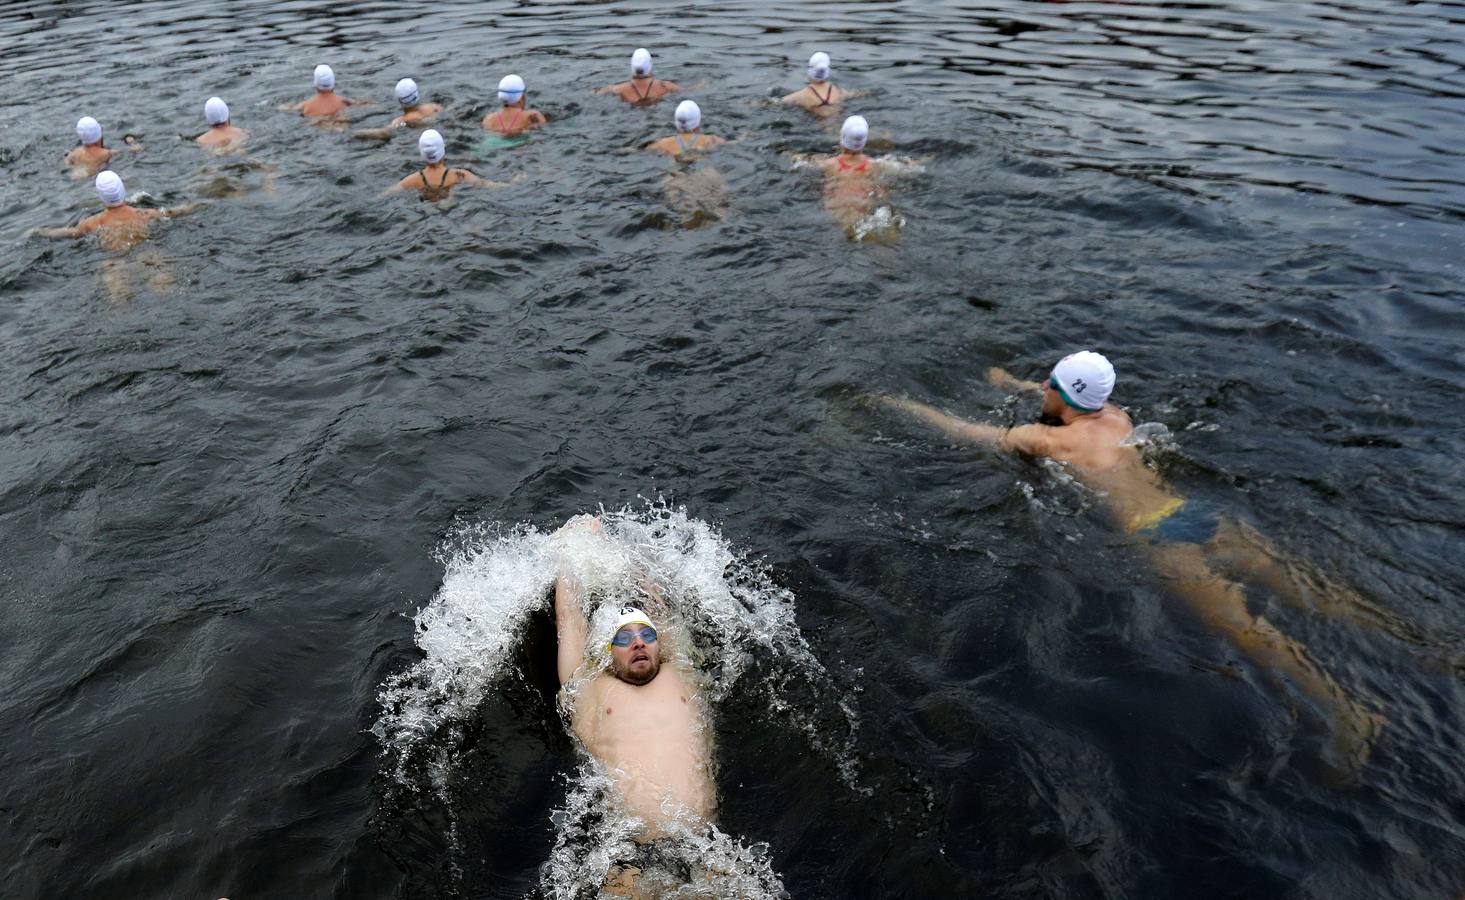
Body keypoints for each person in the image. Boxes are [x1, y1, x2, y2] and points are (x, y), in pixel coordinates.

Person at [875, 351, 1386, 767]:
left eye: (1049, 384)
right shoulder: (1117, 418)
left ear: (1063, 393)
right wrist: (1010, 380)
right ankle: (1408, 642)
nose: (1044, 389)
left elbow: (968, 433)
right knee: (1313, 592)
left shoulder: (1051, 440)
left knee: (1246, 630)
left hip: (1158, 535)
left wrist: (901, 405)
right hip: (1195, 513)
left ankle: (1352, 715)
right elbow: (1063, 394)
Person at [552, 516, 715, 844]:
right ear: (608, 651)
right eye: (624, 639)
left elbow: (663, 610)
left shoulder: (681, 672)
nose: (639, 642)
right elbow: (569, 622)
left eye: (646, 635)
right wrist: (571, 550)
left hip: (705, 845)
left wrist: (626, 554)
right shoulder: (589, 689)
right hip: (628, 852)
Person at [33, 170, 199, 251]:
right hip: (145, 250)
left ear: (101, 196)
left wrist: (39, 231)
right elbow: (173, 212)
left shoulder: (91, 223)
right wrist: (197, 204)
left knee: (115, 283)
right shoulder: (145, 214)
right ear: (122, 190)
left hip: (114, 259)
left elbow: (64, 233)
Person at [388, 129, 498, 200]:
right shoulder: (459, 175)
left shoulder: (412, 180)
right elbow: (485, 185)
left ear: (422, 153)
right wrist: (513, 183)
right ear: (443, 149)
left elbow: (387, 194)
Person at [599, 48, 678, 104]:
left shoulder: (618, 89)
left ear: (632, 65)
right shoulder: (665, 86)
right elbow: (687, 90)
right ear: (650, 65)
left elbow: (593, 94)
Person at [647, 100, 723, 157]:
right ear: (698, 121)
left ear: (676, 123)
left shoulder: (660, 144)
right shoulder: (713, 140)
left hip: (675, 173)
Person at [481, 74, 546, 135]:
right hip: (519, 144)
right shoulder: (532, 115)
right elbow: (544, 129)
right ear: (522, 97)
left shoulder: (488, 118)